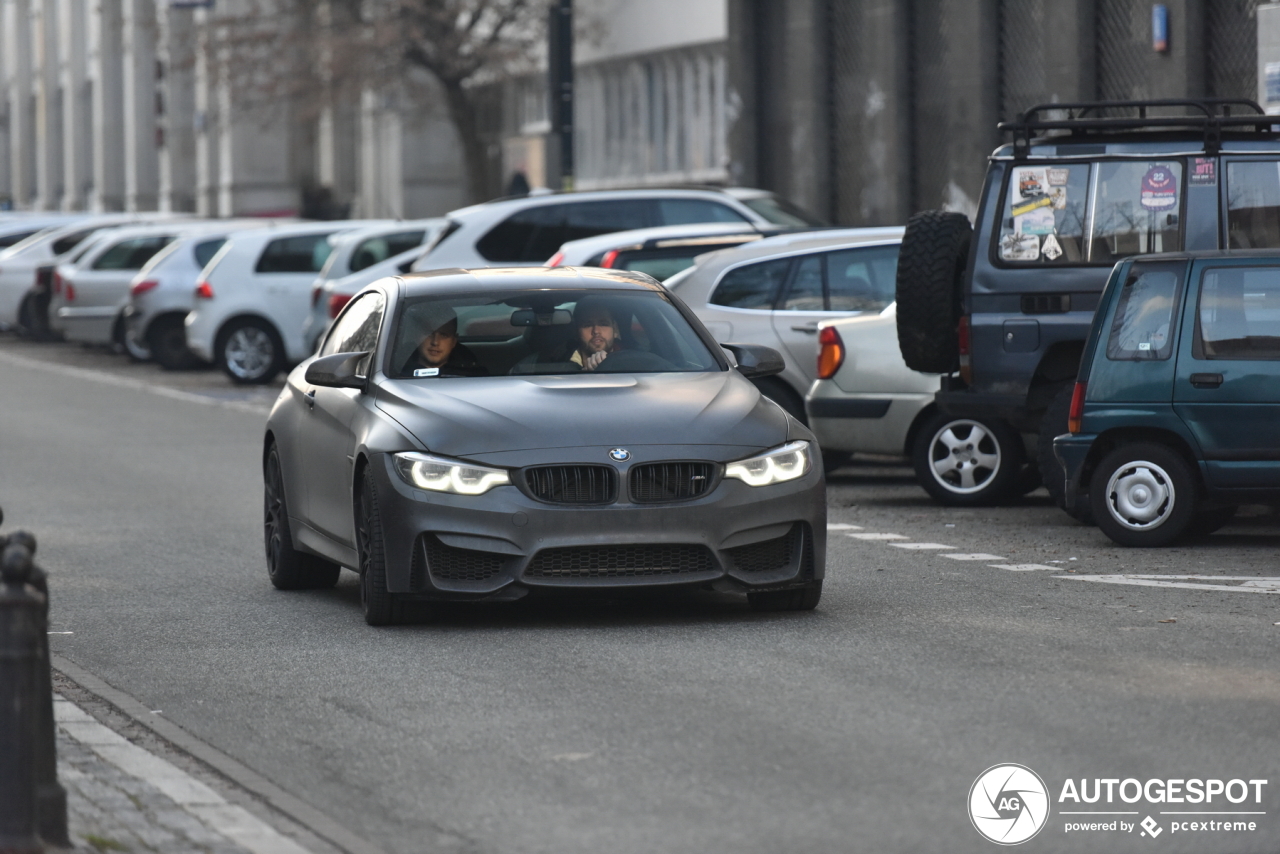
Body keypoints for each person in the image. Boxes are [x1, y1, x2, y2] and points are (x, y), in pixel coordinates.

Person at [400, 305, 487, 377]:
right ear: (417, 336)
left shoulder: (472, 376)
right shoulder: (395, 372)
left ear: (453, 341)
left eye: (444, 335)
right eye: (429, 334)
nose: (435, 342)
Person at [571, 298, 623, 371]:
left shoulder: (632, 361)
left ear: (615, 330)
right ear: (576, 332)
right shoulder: (561, 365)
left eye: (603, 324)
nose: (596, 331)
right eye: (587, 325)